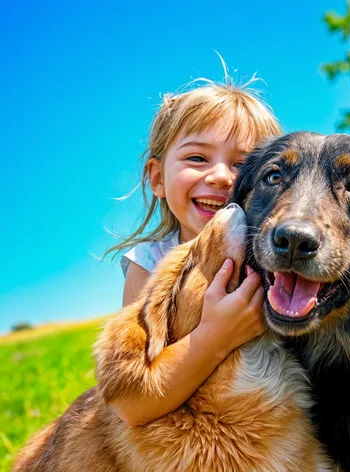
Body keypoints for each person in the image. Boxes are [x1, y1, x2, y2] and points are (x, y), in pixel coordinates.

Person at [105, 74, 282, 427]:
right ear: (156, 178)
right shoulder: (149, 262)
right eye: (198, 158)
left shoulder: (276, 256)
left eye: (243, 165)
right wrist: (215, 336)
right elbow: (130, 404)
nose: (220, 176)